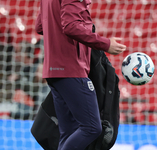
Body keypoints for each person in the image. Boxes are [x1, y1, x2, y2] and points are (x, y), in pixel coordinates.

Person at [35, 0, 126, 149]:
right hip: (71, 68)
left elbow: (40, 26)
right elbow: (71, 26)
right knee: (91, 128)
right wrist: (106, 44)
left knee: (68, 132)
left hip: (53, 70)